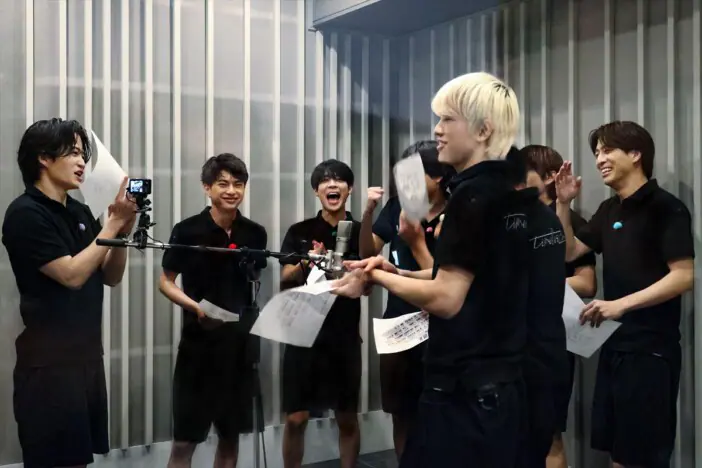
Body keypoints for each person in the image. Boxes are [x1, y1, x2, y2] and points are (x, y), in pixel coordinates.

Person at [336, 72, 527, 467]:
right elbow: (466, 278)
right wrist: (393, 271)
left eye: (447, 119)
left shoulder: (471, 198)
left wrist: (374, 276)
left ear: (482, 130)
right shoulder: (501, 192)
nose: (437, 130)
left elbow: (446, 297)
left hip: (467, 387)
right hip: (492, 381)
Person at [554, 121, 694, 468]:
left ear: (635, 154)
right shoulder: (609, 210)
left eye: (607, 150)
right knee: (619, 454)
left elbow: (683, 277)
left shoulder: (666, 207)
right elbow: (570, 251)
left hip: (650, 352)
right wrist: (563, 204)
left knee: (640, 456)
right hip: (615, 349)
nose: (599, 159)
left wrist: (619, 305)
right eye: (596, 152)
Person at [2, 118, 136, 468]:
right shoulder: (25, 213)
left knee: (78, 461)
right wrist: (110, 226)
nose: (81, 163)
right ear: (44, 158)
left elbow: (111, 276)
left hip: (86, 357)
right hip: (48, 365)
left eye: (83, 155)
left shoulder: (79, 211)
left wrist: (121, 232)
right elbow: (72, 275)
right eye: (73, 153)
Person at [159, 153, 268, 468]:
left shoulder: (255, 233)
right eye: (223, 184)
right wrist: (195, 307)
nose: (232, 190)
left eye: (238, 184)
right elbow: (165, 282)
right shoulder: (187, 230)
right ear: (207, 187)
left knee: (230, 438)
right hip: (198, 348)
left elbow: (255, 277)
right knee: (184, 442)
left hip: (239, 350)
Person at [359, 140, 454, 459]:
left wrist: (415, 243)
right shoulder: (397, 207)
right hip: (399, 323)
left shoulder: (457, 212)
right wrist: (368, 213)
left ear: (438, 176)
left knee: (441, 410)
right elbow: (367, 252)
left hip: (441, 325)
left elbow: (445, 282)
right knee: (401, 411)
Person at [279, 159, 362, 468]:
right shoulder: (300, 231)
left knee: (347, 417)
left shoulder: (361, 232)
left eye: (339, 180)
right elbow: (285, 277)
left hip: (344, 337)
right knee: (296, 418)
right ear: (316, 190)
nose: (332, 185)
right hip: (303, 336)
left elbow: (369, 278)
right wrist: (308, 260)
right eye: (325, 181)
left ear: (350, 189)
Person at [521, 144, 597, 468]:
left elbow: (587, 283)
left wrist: (537, 283)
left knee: (549, 436)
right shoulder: (515, 221)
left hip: (551, 341)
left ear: (550, 176)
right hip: (515, 340)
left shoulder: (569, 220)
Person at [505, 147, 569, 468]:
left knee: (542, 442)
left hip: (535, 353)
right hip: (537, 351)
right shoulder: (537, 219)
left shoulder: (536, 221)